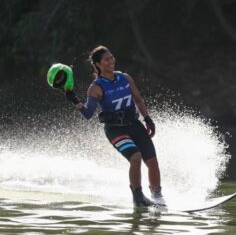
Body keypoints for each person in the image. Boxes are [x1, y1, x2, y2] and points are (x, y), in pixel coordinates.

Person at [62, 45, 164, 207]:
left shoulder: (125, 78)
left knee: (152, 162)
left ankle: (158, 197)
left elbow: (138, 99)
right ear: (98, 64)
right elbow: (88, 114)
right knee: (135, 158)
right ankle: (138, 197)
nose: (111, 61)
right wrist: (73, 99)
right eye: (106, 59)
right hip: (115, 130)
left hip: (134, 124)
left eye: (112, 57)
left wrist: (148, 119)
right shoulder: (96, 87)